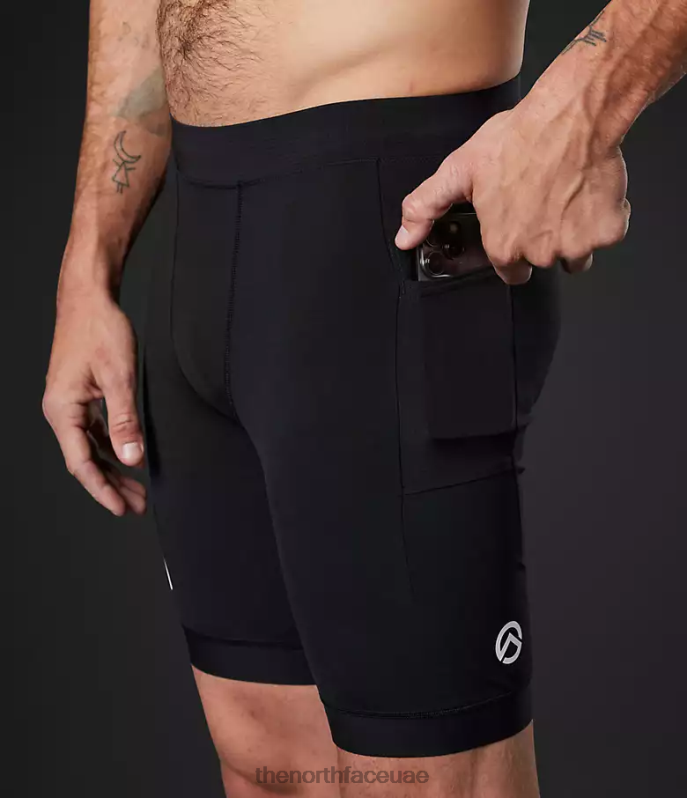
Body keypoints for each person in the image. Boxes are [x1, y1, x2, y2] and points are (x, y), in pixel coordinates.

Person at [42, 1, 687, 796]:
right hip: (197, 240)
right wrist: (87, 267)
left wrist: (582, 107)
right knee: (266, 762)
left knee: (419, 779)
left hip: (385, 224)